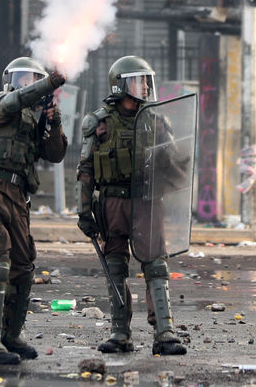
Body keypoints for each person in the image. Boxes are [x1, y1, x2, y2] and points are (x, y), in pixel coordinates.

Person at [75, 55, 187, 356]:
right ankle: (120, 333)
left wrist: (179, 166)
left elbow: (172, 165)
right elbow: (85, 170)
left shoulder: (157, 121)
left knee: (156, 266)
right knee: (115, 268)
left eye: (147, 80)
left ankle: (165, 333)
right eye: (138, 81)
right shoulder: (98, 123)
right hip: (112, 203)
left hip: (147, 202)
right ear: (120, 86)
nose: (145, 87)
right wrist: (83, 211)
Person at [0, 56, 67, 364]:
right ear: (11, 80)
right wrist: (50, 81)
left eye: (35, 78)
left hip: (18, 197)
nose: (29, 84)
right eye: (25, 78)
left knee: (23, 267)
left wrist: (53, 119)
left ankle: (10, 335)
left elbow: (56, 154)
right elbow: (15, 101)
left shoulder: (32, 121)